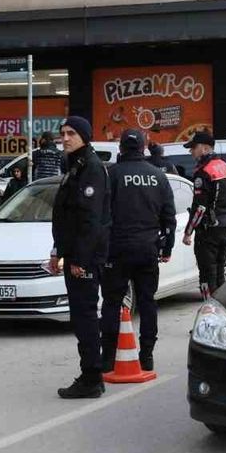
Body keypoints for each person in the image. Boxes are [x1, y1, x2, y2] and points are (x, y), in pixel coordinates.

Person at [101, 129, 177, 373]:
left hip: (117, 249)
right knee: (147, 302)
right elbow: (169, 216)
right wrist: (167, 246)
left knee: (112, 302)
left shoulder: (111, 174)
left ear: (121, 148)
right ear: (144, 148)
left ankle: (108, 358)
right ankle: (147, 356)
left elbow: (101, 214)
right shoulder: (158, 176)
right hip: (148, 248)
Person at [49, 116, 111, 399]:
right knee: (80, 316)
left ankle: (91, 378)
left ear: (84, 136)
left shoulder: (91, 168)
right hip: (73, 253)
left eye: (71, 133)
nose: (65, 138)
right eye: (62, 133)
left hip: (84, 257)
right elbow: (67, 217)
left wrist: (81, 260)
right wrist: (57, 251)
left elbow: (90, 220)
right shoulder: (75, 165)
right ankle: (92, 374)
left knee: (85, 317)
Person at [181, 131, 226, 300]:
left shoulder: (203, 171)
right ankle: (222, 310)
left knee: (206, 276)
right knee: (220, 273)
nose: (191, 151)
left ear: (205, 148)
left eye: (193, 148)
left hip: (208, 230)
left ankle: (208, 309)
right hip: (225, 227)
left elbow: (200, 207)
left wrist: (188, 232)